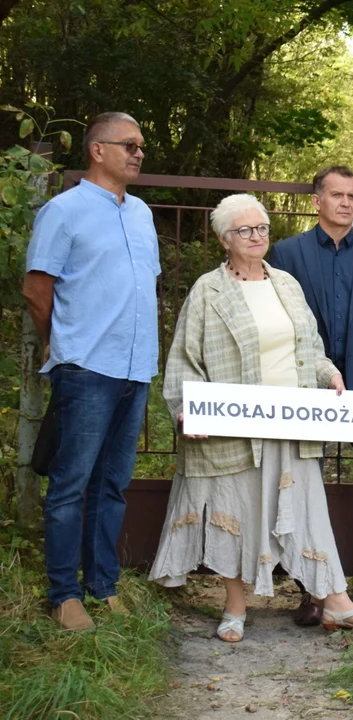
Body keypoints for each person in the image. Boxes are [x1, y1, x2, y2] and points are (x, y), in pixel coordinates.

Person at [149, 194, 353, 642]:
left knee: (307, 508)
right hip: (234, 426)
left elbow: (309, 346)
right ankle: (235, 607)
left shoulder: (286, 284)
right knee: (237, 507)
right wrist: (184, 410)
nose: (257, 237)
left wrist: (329, 373)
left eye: (262, 229)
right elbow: (183, 360)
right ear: (223, 239)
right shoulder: (207, 291)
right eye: (245, 230)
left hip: (291, 421)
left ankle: (335, 602)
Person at [22, 112, 159, 631]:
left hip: (135, 368)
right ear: (97, 151)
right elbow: (37, 289)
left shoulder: (143, 213)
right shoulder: (64, 211)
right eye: (129, 144)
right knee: (70, 484)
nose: (138, 152)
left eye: (141, 145)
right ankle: (63, 593)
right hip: (86, 367)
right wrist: (60, 346)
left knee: (112, 485)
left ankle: (103, 586)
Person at [266, 166, 353, 625]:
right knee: (305, 488)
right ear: (317, 201)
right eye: (337, 195)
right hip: (309, 394)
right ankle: (312, 589)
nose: (346, 203)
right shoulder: (287, 254)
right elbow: (280, 328)